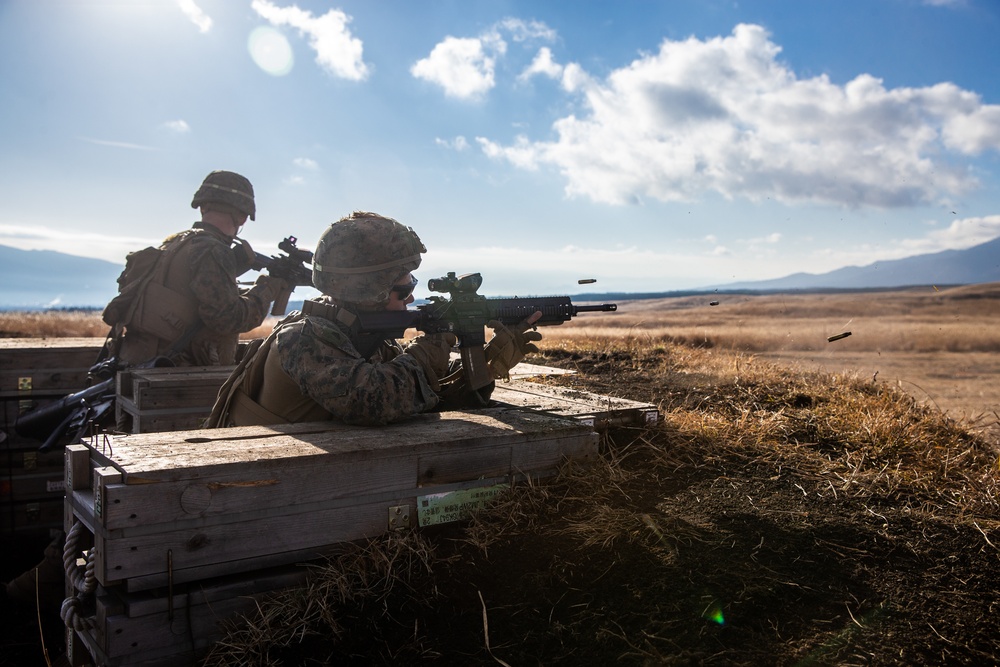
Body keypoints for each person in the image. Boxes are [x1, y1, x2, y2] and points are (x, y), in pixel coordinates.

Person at [206, 211, 542, 427]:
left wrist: (489, 361)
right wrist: (430, 349)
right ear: (370, 291)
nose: (411, 296)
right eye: (403, 287)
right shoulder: (303, 338)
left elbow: (423, 401)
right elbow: (371, 401)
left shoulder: (362, 340)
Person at [103, 169, 287, 367]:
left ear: (202, 207)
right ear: (242, 217)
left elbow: (193, 298)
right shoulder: (212, 250)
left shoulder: (176, 244)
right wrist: (266, 291)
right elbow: (226, 319)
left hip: (139, 363)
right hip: (174, 376)